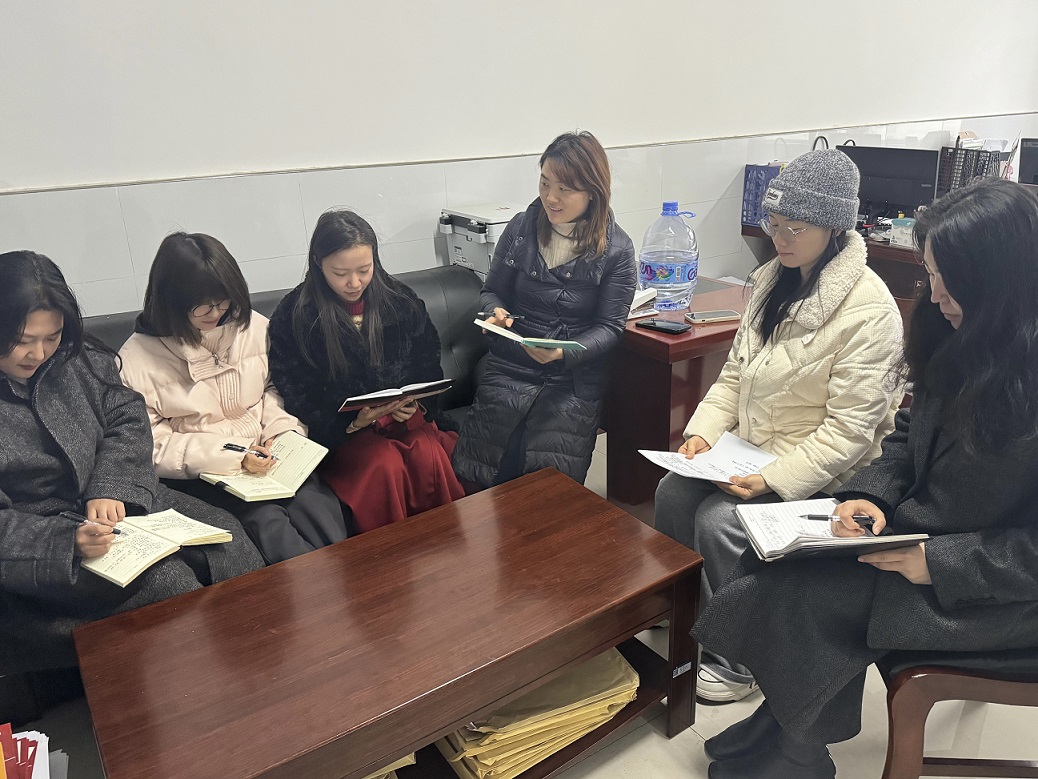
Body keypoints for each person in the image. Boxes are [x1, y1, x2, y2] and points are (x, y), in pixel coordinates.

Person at [694, 178, 1038, 778]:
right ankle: (785, 723)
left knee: (807, 596)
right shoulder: (963, 336)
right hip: (922, 540)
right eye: (929, 275)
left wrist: (939, 563)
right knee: (778, 563)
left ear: (1004, 280)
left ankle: (798, 751)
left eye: (950, 280)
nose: (935, 296)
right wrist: (869, 496)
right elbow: (906, 435)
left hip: (998, 591)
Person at [654, 149, 905, 703]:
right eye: (775, 224)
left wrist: (773, 479)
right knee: (672, 492)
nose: (780, 239)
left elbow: (851, 433)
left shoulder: (869, 311)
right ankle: (682, 612)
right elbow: (735, 375)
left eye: (796, 228)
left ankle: (738, 657)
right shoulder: (772, 281)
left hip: (823, 475)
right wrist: (702, 434)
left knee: (722, 523)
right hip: (751, 452)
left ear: (834, 227)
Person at [0, 250, 263, 675]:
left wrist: (111, 487)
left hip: (119, 500)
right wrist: (66, 543)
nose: (39, 353)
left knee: (227, 540)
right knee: (167, 584)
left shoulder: (78, 356)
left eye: (52, 336)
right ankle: (196, 693)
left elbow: (126, 416)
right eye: (23, 340)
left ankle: (258, 664)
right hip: (43, 544)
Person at [118, 232, 349, 563]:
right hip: (209, 475)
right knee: (268, 525)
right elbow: (151, 444)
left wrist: (282, 434)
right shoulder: (135, 360)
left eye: (223, 301)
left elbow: (277, 387)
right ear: (172, 300)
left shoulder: (251, 327)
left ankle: (352, 581)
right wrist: (235, 455)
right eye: (204, 305)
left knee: (317, 506)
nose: (217, 312)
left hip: (272, 458)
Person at [452, 131, 636, 488]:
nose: (551, 197)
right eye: (545, 182)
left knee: (547, 488)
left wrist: (564, 353)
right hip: (511, 365)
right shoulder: (521, 228)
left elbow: (611, 327)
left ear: (593, 192)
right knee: (481, 475)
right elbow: (492, 292)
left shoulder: (617, 249)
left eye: (565, 189)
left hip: (571, 379)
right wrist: (496, 313)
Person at [267, 210, 464, 533]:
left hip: (404, 422)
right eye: (340, 273)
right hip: (343, 438)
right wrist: (352, 422)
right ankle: (390, 552)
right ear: (318, 263)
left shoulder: (400, 300)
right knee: (383, 463)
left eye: (364, 270)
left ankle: (445, 546)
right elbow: (297, 392)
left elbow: (427, 362)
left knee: (427, 452)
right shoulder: (296, 315)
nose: (354, 283)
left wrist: (418, 404)